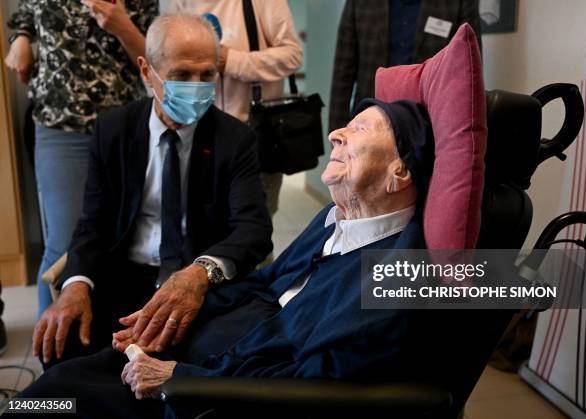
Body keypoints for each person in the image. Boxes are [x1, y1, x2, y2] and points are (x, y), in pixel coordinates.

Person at [16, 97, 435, 418]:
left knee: (53, 403)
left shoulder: (394, 277)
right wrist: (168, 318)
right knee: (43, 394)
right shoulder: (333, 219)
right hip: (180, 349)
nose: (335, 134)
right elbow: (266, 282)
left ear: (400, 172)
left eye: (359, 129)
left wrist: (179, 378)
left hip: (205, 395)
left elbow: (311, 382)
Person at [29, 14, 273, 369]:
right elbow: (92, 223)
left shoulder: (235, 139)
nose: (197, 85)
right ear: (147, 71)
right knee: (65, 345)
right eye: (182, 75)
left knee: (233, 356)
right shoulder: (114, 131)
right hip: (127, 276)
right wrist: (75, 285)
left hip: (198, 282)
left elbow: (253, 230)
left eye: (207, 74)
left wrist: (199, 273)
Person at [4, 0, 158, 317]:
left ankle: (111, 346)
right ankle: (51, 352)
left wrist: (123, 27)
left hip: (122, 128)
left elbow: (153, 62)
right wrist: (20, 38)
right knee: (63, 246)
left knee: (122, 243)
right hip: (59, 126)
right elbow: (25, 16)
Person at [167, 0, 303, 217]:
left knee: (253, 229)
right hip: (194, 136)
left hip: (254, 138)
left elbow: (293, 55)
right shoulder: (181, 4)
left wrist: (230, 60)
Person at [329, 0, 481, 132]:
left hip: (431, 127)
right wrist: (337, 134)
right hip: (369, 125)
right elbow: (343, 73)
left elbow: (469, 73)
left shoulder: (458, 3)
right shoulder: (360, 3)